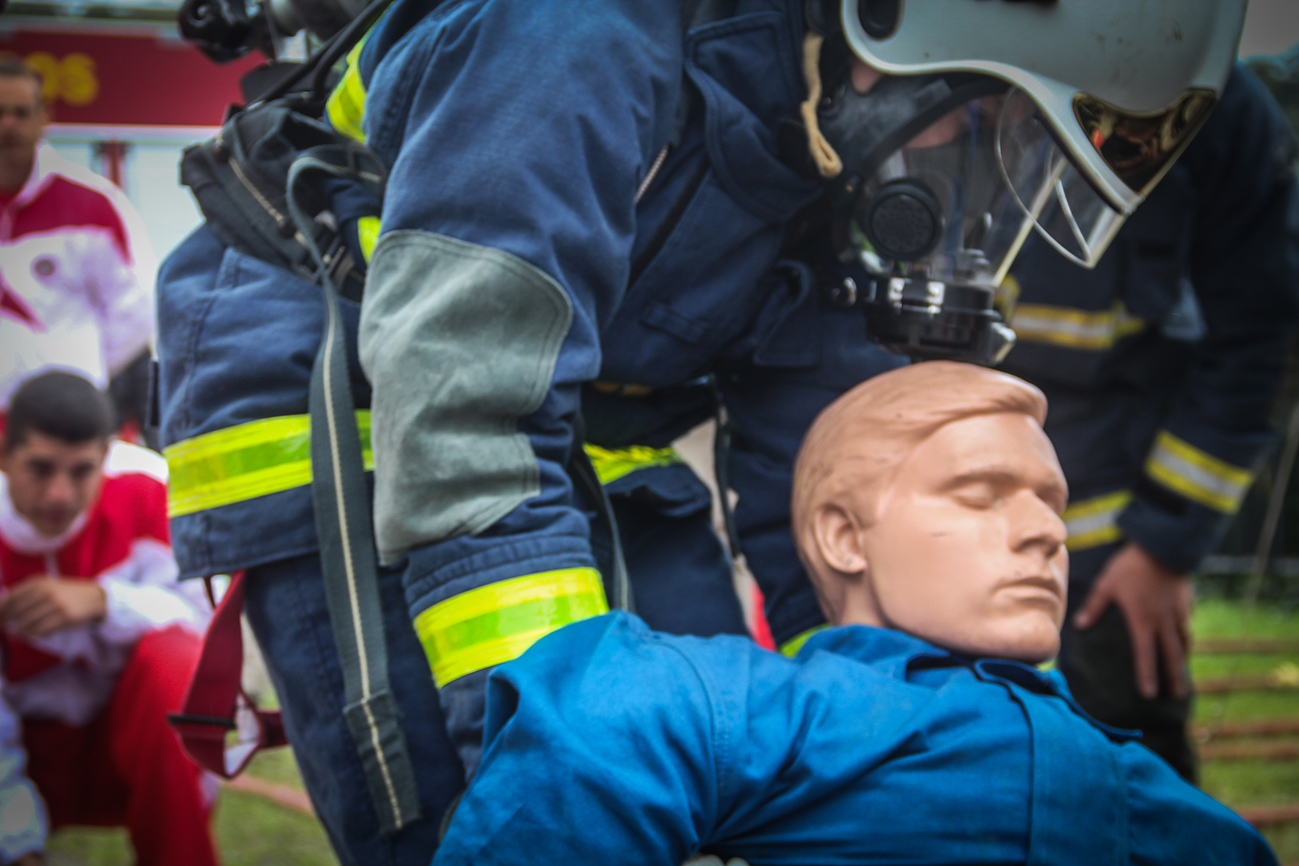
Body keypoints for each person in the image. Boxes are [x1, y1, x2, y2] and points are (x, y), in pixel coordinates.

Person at [155, 2, 1247, 862]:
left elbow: (823, 464)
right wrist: (546, 756)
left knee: (726, 781)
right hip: (362, 405)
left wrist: (898, 731)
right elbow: (467, 410)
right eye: (982, 117)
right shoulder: (570, 36)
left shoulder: (826, 113)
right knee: (516, 805)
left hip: (578, 412)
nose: (970, 158)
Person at [431, 361, 1275, 866]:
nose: (1046, 533)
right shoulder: (780, 714)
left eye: (1050, 505)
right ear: (843, 536)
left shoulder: (1136, 777)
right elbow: (606, 723)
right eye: (981, 493)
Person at [998, 63, 1299, 781]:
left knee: (1135, 777)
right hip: (954, 514)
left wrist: (1162, 547)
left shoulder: (1215, 104)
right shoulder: (935, 60)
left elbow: (1259, 342)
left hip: (1118, 549)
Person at [0, 372, 215, 866]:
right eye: (40, 469)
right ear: (4, 456)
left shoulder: (147, 491)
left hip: (121, 746)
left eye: (81, 471)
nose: (59, 494)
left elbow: (209, 630)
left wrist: (105, 601)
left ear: (107, 457)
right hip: (29, 753)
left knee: (175, 659)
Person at [0, 58, 156, 423]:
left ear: (44, 117)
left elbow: (135, 312)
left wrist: (78, 372)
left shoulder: (94, 204)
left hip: (64, 424)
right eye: (0, 113)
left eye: (21, 113)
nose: (8, 125)